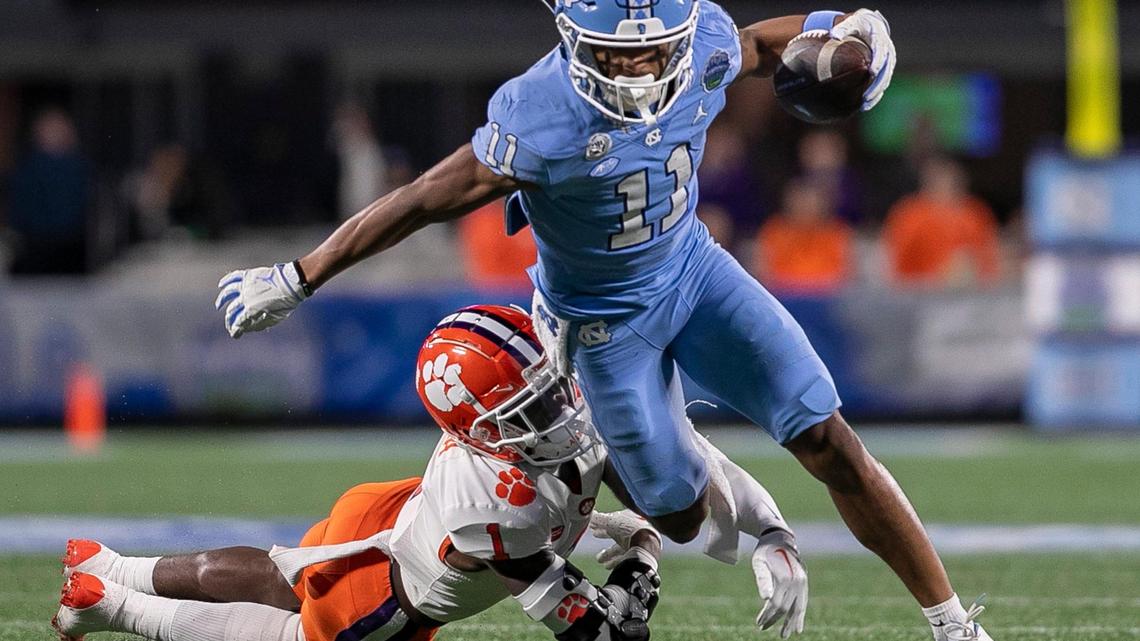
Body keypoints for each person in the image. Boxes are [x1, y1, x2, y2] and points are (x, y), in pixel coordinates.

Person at [212, 4, 991, 639]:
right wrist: (301, 273)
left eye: (652, 52)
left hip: (693, 271)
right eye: (613, 54)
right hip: (598, 325)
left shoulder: (705, 44)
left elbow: (760, 41)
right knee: (678, 516)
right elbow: (423, 197)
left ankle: (953, 624)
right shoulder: (538, 112)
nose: (634, 67)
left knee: (827, 435)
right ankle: (682, 460)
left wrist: (848, 27)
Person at [55, 305, 808, 641]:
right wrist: (641, 552)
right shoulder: (498, 505)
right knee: (295, 623)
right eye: (529, 405)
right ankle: (107, 603)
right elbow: (600, 632)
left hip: (386, 518)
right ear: (480, 430)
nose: (556, 407)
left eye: (547, 386)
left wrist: (759, 527)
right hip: (385, 596)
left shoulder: (534, 427)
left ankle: (110, 564)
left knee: (285, 568)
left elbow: (685, 459)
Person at [883, 156, 1001, 288]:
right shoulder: (910, 215)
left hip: (971, 292)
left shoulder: (975, 213)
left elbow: (990, 260)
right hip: (920, 292)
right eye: (942, 183)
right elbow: (897, 268)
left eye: (954, 184)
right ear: (928, 186)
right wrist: (939, 276)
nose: (948, 190)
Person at [754, 178, 853, 294]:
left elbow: (845, 276)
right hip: (782, 300)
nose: (805, 207)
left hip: (827, 301)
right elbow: (764, 274)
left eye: (810, 202)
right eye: (800, 201)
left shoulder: (837, 232)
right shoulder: (773, 231)